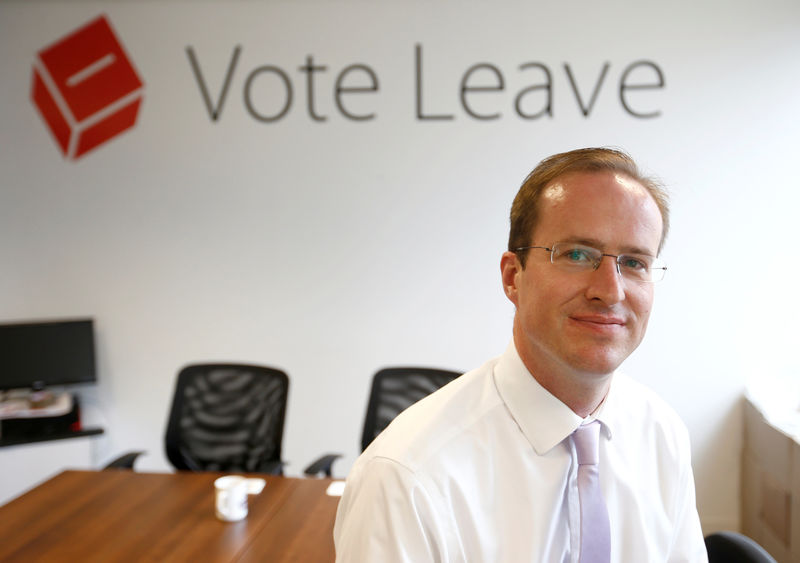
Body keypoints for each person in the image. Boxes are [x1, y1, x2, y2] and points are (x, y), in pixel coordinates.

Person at [333, 147, 707, 562]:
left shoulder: (662, 435)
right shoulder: (407, 477)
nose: (611, 290)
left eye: (634, 262)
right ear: (514, 277)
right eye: (577, 255)